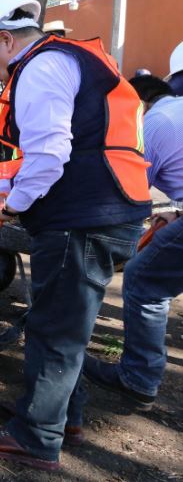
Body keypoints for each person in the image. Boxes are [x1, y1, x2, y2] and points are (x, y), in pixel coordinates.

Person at [0, 0, 150, 472]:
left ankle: (37, 436)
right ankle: (62, 415)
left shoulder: (40, 68)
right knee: (63, 318)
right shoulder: (68, 59)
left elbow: (48, 157)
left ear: (5, 39)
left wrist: (12, 209)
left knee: (55, 328)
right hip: (104, 209)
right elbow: (32, 161)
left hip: (83, 217)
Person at [82, 76, 182, 412]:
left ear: (140, 101)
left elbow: (128, 191)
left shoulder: (153, 122)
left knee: (143, 280)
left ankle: (138, 378)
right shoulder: (177, 111)